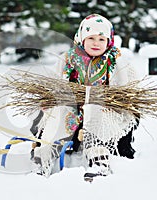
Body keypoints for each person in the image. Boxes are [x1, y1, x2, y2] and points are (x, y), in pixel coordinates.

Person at [30, 14, 139, 180]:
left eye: (102, 39)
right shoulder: (69, 58)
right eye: (91, 38)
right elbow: (54, 82)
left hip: (103, 108)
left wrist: (116, 101)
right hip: (73, 107)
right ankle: (44, 156)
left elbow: (127, 88)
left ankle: (99, 157)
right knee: (57, 114)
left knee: (96, 112)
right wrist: (49, 98)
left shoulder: (115, 60)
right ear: (81, 38)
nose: (96, 43)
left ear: (109, 41)